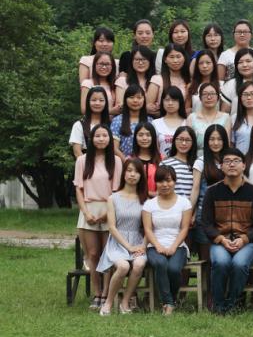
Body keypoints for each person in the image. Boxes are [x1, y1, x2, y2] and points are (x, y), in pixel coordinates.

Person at [201, 148, 253, 314]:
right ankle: (218, 304)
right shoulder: (212, 191)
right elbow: (206, 223)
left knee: (239, 264)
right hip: (220, 241)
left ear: (244, 165)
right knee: (221, 262)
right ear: (221, 166)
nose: (232, 164)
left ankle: (232, 304)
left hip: (247, 242)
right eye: (227, 161)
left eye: (236, 161)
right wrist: (221, 239)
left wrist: (244, 239)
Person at [74, 123, 122, 309]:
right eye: (97, 136)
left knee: (107, 254)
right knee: (93, 254)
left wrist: (106, 213)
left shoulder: (115, 161)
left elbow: (117, 191)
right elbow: (78, 189)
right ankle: (97, 292)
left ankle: (107, 292)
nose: (101, 139)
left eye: (104, 135)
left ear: (110, 139)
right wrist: (86, 212)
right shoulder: (82, 161)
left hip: (109, 208)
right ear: (91, 139)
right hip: (88, 209)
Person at [97, 158, 148, 315]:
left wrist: (142, 246)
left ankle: (125, 302)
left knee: (139, 264)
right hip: (118, 243)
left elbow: (149, 228)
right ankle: (108, 302)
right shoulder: (113, 198)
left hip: (138, 241)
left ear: (141, 176)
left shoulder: (145, 199)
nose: (132, 175)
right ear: (123, 173)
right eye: (129, 170)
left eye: (137, 172)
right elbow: (112, 227)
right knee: (123, 266)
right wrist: (128, 247)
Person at [142, 166, 192, 315]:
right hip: (154, 246)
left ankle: (171, 300)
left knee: (174, 269)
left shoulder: (184, 202)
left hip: (178, 245)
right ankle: (168, 303)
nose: (164, 185)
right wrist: (158, 246)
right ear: (155, 183)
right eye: (160, 181)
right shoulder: (149, 204)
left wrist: (173, 247)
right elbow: (148, 229)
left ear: (174, 181)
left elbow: (184, 228)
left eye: (168, 180)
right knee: (160, 263)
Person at [220, 48, 253, 119]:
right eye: (240, 62)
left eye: (248, 61)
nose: (244, 65)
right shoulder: (230, 85)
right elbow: (224, 114)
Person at [147, 43, 191, 116]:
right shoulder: (157, 80)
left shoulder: (188, 81)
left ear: (184, 58)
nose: (175, 60)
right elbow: (148, 107)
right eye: (171, 57)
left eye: (178, 56)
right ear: (165, 59)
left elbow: (187, 110)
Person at [110, 84, 151, 160]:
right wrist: (127, 162)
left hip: (147, 162)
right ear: (125, 100)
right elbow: (114, 148)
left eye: (139, 97)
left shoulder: (150, 121)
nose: (135, 100)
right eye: (131, 97)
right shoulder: (117, 121)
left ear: (144, 100)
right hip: (124, 162)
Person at [188, 83, 231, 150]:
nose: (209, 97)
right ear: (200, 98)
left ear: (218, 97)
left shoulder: (226, 118)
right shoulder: (191, 118)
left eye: (212, 94)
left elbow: (226, 144)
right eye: (205, 94)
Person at [71, 87, 111, 158]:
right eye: (93, 100)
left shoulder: (112, 124)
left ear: (106, 103)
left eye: (101, 100)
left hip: (109, 163)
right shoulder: (79, 125)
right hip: (86, 163)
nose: (97, 103)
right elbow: (77, 152)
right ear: (88, 102)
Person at [81, 52, 119, 116]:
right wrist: (110, 112)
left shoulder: (116, 85)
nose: (104, 67)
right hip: (94, 121)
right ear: (95, 65)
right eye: (101, 64)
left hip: (114, 122)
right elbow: (84, 110)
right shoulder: (88, 84)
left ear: (112, 66)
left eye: (107, 64)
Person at [152, 87, 186, 158]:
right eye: (167, 100)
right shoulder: (155, 123)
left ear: (180, 102)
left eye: (174, 100)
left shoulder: (187, 123)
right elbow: (154, 149)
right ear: (162, 102)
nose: (170, 103)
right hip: (162, 163)